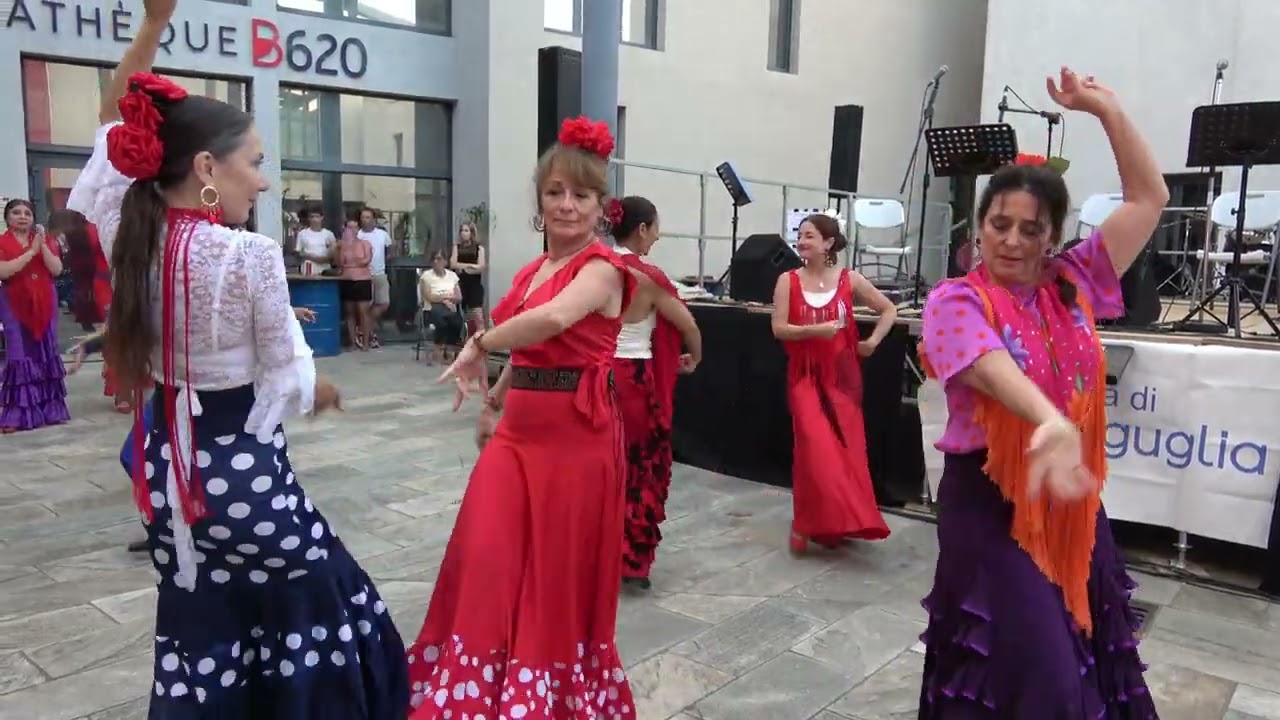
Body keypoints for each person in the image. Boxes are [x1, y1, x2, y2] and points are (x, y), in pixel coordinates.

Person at [64, 2, 408, 715]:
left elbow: (109, 125)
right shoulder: (246, 253)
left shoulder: (131, 232)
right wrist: (322, 387)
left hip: (165, 472)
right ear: (205, 167)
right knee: (325, 599)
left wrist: (151, 30)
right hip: (239, 473)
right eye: (254, 162)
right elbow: (286, 379)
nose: (264, 180)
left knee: (206, 617)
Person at [916, 68, 1167, 718]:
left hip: (1073, 510)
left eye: (1031, 229)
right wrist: (1047, 419)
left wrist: (1105, 108)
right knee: (1046, 681)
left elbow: (1149, 197)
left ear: (1053, 235)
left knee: (1093, 662)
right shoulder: (956, 299)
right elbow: (986, 362)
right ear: (980, 226)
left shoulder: (1077, 280)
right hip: (992, 507)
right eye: (1000, 224)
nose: (1012, 240)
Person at [404, 116, 636, 718]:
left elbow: (553, 323)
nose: (566, 204)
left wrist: (479, 346)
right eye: (555, 191)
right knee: (485, 554)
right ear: (539, 197)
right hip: (521, 431)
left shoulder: (603, 268)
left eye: (581, 195)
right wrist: (494, 401)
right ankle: (473, 688)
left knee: (551, 576)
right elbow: (530, 349)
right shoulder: (534, 270)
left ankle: (541, 695)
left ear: (600, 206)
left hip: (576, 439)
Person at [770, 211, 895, 552]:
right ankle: (805, 521)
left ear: (827, 243)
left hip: (842, 378)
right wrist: (817, 331)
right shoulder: (788, 281)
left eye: (809, 235)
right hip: (804, 377)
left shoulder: (849, 279)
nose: (801, 240)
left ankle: (834, 521)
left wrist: (871, 343)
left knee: (845, 452)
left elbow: (889, 310)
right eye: (800, 234)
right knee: (815, 450)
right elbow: (779, 328)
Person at [609, 195, 702, 589]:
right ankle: (629, 561)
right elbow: (689, 326)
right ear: (642, 229)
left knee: (601, 467)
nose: (656, 237)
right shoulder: (646, 277)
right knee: (639, 468)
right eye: (655, 229)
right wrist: (693, 357)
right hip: (632, 379)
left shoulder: (593, 268)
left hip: (595, 377)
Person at [0, 198, 70, 433]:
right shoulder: (2, 242)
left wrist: (41, 246)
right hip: (14, 304)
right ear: (7, 218)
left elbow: (56, 269)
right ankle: (17, 414)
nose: (22, 217)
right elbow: (5, 271)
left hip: (45, 302)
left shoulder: (45, 240)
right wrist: (31, 252)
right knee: (19, 353)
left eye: (27, 213)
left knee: (45, 351)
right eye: (16, 213)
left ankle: (50, 410)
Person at [418, 249, 465, 363]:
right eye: (434, 259)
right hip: (432, 308)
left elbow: (459, 297)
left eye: (439, 259)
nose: (436, 261)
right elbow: (428, 296)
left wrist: (448, 300)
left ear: (445, 261)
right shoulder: (426, 276)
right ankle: (438, 349)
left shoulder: (452, 276)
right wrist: (446, 300)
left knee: (457, 322)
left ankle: (449, 350)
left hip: (450, 307)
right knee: (442, 321)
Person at [357, 208, 393, 348]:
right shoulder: (358, 235)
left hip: (380, 273)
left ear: (373, 219)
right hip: (363, 275)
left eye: (368, 217)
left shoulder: (382, 234)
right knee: (365, 307)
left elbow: (391, 248)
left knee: (384, 303)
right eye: (363, 217)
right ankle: (368, 334)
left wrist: (388, 257)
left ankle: (363, 329)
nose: (365, 220)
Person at [336, 220, 374, 350]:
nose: (352, 230)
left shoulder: (365, 243)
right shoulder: (343, 246)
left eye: (354, 227)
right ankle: (352, 342)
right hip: (347, 279)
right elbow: (341, 263)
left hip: (362, 280)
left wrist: (351, 264)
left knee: (363, 312)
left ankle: (366, 343)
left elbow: (365, 260)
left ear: (358, 229)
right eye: (349, 227)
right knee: (349, 312)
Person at [450, 221, 486, 335]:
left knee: (478, 316)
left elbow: (481, 266)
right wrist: (470, 266)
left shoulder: (479, 248)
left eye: (466, 230)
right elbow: (453, 264)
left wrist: (463, 266)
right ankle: (466, 341)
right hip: (461, 284)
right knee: (464, 317)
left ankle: (481, 341)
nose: (463, 233)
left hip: (475, 284)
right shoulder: (457, 247)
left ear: (471, 232)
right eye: (461, 231)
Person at [295, 207, 336, 275]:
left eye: (317, 217)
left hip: (325, 268)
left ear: (322, 217)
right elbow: (299, 252)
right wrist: (312, 258)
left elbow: (333, 252)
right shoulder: (302, 234)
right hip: (309, 267)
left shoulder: (329, 234)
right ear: (309, 218)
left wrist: (325, 258)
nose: (314, 219)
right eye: (312, 217)